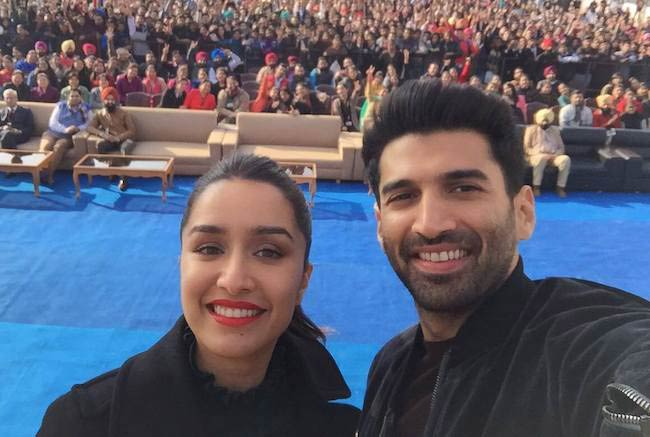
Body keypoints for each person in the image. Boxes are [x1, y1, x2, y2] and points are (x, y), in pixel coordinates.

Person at [359, 80, 650, 437]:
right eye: (403, 196)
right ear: (379, 224)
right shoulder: (390, 365)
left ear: (523, 212)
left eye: (464, 189)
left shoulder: (581, 347)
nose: (430, 224)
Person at [37, 154, 360, 436]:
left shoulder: (346, 428)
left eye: (268, 252)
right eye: (209, 248)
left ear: (303, 279)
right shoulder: (81, 425)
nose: (234, 281)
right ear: (182, 265)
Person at [86, 87, 136, 192]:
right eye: (107, 99)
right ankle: (115, 169)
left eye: (112, 99)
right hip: (110, 139)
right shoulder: (100, 113)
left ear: (116, 100)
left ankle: (123, 178)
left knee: (124, 150)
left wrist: (119, 137)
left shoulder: (124, 113)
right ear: (103, 100)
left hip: (125, 139)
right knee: (100, 146)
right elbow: (89, 127)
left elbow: (132, 131)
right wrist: (103, 134)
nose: (110, 102)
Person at [38, 89, 91, 184]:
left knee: (58, 147)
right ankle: (38, 171)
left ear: (80, 97)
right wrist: (65, 129)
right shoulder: (61, 105)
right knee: (45, 147)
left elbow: (89, 123)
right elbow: (52, 122)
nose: (74, 98)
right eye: (72, 96)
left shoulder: (85, 108)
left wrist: (78, 128)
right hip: (52, 132)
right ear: (68, 97)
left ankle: (48, 175)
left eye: (77, 96)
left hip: (68, 137)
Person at [524, 108, 571, 197]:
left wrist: (555, 155)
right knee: (541, 158)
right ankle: (536, 187)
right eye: (543, 121)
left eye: (547, 121)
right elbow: (527, 148)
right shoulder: (530, 129)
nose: (545, 123)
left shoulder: (555, 130)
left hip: (553, 156)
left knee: (565, 159)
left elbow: (561, 147)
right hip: (536, 156)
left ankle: (560, 187)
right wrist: (539, 154)